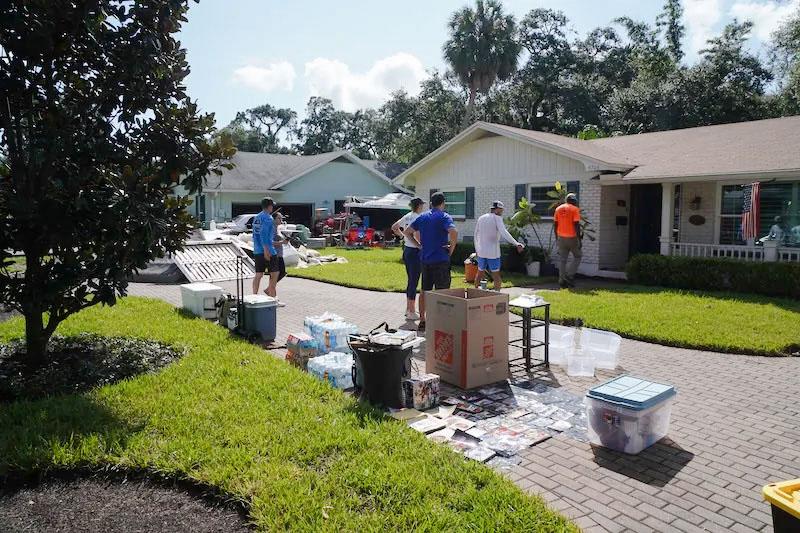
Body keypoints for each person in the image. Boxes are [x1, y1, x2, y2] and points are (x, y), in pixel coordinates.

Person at [404, 192, 458, 331]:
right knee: (443, 292)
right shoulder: (444, 216)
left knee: (424, 291)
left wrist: (418, 245)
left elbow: (407, 231)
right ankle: (441, 322)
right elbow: (453, 232)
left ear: (431, 203)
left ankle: (423, 320)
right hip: (440, 259)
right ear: (443, 203)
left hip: (425, 259)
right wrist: (451, 249)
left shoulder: (423, 217)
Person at [474, 200, 525, 290]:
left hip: (481, 251)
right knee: (496, 275)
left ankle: (474, 292)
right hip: (493, 253)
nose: (502, 212)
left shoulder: (481, 218)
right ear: (497, 209)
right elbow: (504, 232)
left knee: (479, 273)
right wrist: (516, 243)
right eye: (501, 210)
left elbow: (476, 235)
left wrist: (477, 249)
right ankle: (497, 295)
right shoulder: (497, 218)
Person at [391, 197, 426, 320]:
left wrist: (402, 236)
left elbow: (394, 227)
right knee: (414, 281)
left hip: (407, 250)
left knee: (411, 280)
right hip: (415, 252)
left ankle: (408, 308)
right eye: (422, 205)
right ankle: (411, 311)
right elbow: (416, 234)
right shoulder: (418, 218)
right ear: (419, 206)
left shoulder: (407, 216)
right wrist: (420, 245)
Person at [554, 192, 582, 288]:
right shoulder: (575, 209)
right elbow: (576, 225)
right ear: (574, 201)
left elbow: (555, 224)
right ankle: (569, 276)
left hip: (561, 237)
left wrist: (556, 237)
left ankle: (561, 280)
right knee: (578, 256)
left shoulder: (558, 209)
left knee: (562, 260)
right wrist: (579, 239)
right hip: (572, 237)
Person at [252, 197, 279, 296]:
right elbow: (263, 234)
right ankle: (272, 297)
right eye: (272, 206)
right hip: (268, 249)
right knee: (275, 273)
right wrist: (266, 250)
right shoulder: (268, 218)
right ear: (269, 206)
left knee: (259, 274)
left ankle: (254, 296)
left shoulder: (257, 217)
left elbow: (256, 234)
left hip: (257, 249)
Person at [272, 211, 289, 296]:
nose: (281, 220)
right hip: (274, 254)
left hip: (279, 253)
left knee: (281, 273)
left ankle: (271, 291)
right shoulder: (271, 229)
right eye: (279, 218)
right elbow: (269, 242)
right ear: (274, 219)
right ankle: (271, 291)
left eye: (281, 218)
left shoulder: (277, 228)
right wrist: (282, 242)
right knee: (279, 273)